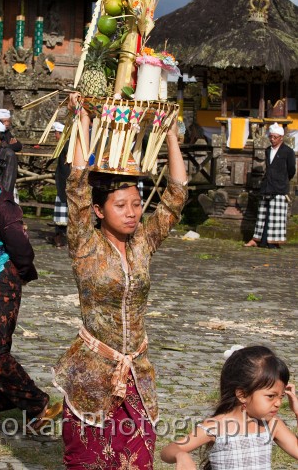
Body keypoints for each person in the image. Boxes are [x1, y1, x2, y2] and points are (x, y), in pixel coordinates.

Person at [53, 93, 188, 468]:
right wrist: (81, 120)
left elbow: (176, 196)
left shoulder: (144, 241)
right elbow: (77, 184)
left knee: (138, 457)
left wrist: (171, 135)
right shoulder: (85, 244)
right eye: (120, 205)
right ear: (98, 210)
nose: (132, 213)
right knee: (91, 460)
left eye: (136, 204)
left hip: (137, 371)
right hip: (92, 372)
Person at [0, 157, 61, 431]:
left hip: (0, 280)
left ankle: (37, 403)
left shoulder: (1, 204)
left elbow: (21, 248)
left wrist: (21, 272)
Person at [160, 345, 298, 469]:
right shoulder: (217, 426)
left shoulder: (273, 425)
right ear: (242, 394)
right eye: (271, 396)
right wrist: (181, 455)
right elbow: (168, 451)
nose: (278, 403)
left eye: (281, 396)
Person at [244, 123, 296, 249]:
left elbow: (291, 170)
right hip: (267, 185)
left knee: (276, 216)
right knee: (263, 214)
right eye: (271, 137)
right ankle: (258, 240)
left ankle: (273, 242)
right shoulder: (267, 150)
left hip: (279, 186)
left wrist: (282, 180)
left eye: (275, 137)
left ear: (281, 138)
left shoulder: (288, 152)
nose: (272, 139)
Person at [51, 121, 70, 248]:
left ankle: (61, 236)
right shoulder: (64, 145)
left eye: (56, 133)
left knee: (65, 208)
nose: (55, 136)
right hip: (62, 180)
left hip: (66, 181)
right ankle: (60, 234)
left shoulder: (67, 145)